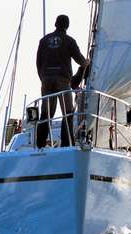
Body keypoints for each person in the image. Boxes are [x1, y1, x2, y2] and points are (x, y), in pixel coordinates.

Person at [36, 14, 89, 148]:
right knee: (67, 112)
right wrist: (87, 63)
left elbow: (38, 62)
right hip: (62, 80)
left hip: (46, 80)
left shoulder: (44, 40)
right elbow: (80, 60)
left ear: (55, 24)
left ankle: (40, 144)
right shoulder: (69, 41)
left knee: (46, 113)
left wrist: (43, 77)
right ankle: (66, 144)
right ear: (67, 26)